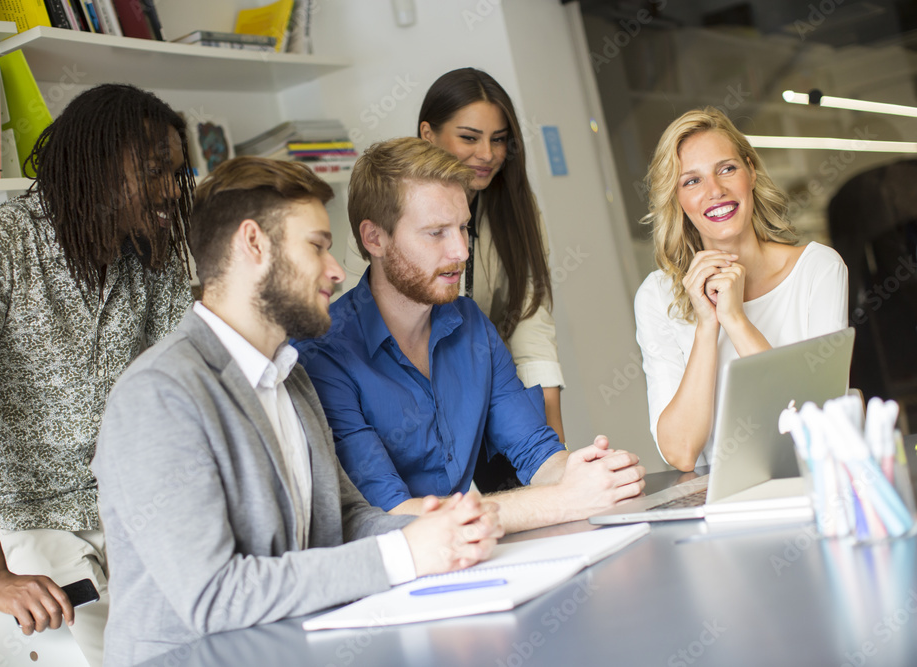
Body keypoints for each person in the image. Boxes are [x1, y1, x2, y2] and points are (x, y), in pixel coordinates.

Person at [91, 157, 502, 666]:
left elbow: (344, 520)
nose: (337, 271)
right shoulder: (158, 394)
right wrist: (405, 554)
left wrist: (439, 532)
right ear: (254, 244)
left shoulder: (293, 376)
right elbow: (214, 596)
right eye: (317, 246)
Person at [0, 83, 195, 666]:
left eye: (176, 173)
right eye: (155, 172)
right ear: (97, 166)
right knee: (128, 655)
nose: (173, 190)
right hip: (29, 518)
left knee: (213, 635)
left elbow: (182, 386)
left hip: (131, 501)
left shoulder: (153, 256)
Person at [295, 137, 645, 534]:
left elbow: (536, 451)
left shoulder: (470, 323)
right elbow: (394, 516)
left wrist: (591, 474)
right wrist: (563, 500)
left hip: (468, 550)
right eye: (436, 233)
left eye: (463, 227)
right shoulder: (322, 354)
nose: (461, 251)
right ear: (375, 238)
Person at [634, 107, 848, 472]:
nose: (715, 191)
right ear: (677, 199)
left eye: (726, 169)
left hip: (813, 479)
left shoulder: (818, 269)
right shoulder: (657, 296)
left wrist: (735, 320)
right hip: (719, 497)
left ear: (751, 171)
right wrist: (707, 326)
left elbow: (817, 423)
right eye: (692, 181)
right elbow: (681, 452)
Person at [416, 68, 565, 443]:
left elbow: (531, 325)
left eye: (498, 140)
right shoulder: (390, 210)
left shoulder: (518, 208)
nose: (487, 155)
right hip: (412, 404)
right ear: (428, 134)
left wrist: (556, 439)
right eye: (469, 137)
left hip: (491, 394)